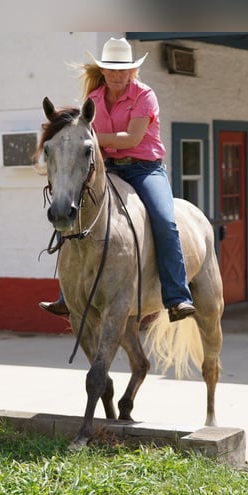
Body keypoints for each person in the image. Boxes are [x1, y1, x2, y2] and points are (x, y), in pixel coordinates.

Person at [39, 37, 196, 323]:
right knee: (72, 212)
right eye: (111, 70)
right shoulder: (94, 100)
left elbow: (132, 139)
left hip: (145, 169)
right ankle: (67, 294)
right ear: (103, 71)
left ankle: (177, 297)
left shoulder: (144, 95)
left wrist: (90, 139)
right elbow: (78, 134)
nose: (117, 75)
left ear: (132, 71)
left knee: (165, 220)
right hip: (108, 167)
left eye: (123, 70)